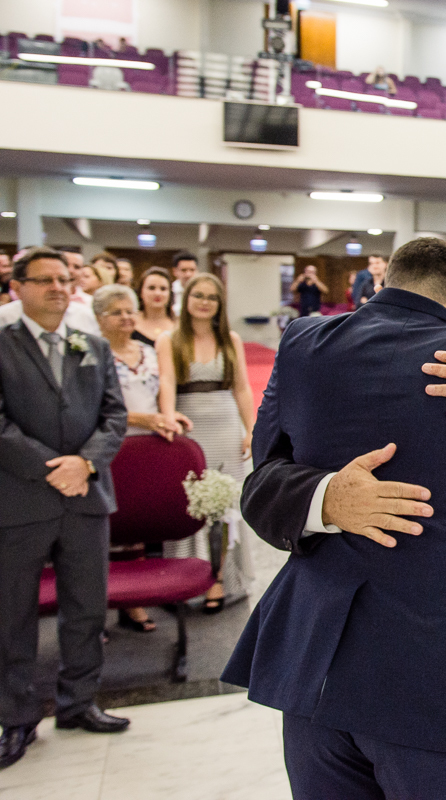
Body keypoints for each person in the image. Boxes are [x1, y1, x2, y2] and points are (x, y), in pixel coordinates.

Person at [222, 238, 446, 800]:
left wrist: (315, 498)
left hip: (317, 673)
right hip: (440, 682)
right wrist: (331, 496)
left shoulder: (305, 343)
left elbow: (261, 485)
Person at [0, 248, 130, 771]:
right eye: (45, 280)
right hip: (21, 499)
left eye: (63, 279)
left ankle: (80, 702)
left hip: (86, 499)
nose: (58, 287)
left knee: (86, 608)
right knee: (13, 615)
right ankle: (16, 716)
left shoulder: (92, 345)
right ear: (18, 287)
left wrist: (87, 465)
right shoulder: (2, 346)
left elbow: (114, 416)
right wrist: (55, 467)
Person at [94, 284, 192, 634]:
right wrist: (143, 419)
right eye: (116, 312)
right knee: (106, 528)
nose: (125, 318)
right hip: (109, 443)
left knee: (138, 526)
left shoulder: (148, 351)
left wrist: (167, 418)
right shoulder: (93, 352)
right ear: (99, 318)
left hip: (147, 445)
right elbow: (94, 406)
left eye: (129, 311)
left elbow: (165, 388)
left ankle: (131, 603)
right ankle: (96, 608)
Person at [158, 274, 256, 611]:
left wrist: (251, 429)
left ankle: (218, 579)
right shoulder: (168, 340)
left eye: (212, 298)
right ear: (186, 299)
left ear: (220, 305)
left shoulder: (230, 339)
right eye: (198, 295)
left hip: (225, 428)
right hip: (188, 429)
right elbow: (167, 383)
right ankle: (180, 578)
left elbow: (242, 388)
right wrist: (168, 415)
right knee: (187, 504)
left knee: (224, 508)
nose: (204, 302)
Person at [133, 266, 175, 345]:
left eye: (163, 289)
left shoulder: (179, 325)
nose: (157, 293)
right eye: (151, 288)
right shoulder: (130, 322)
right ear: (141, 292)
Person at [170, 251, 198, 317]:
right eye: (184, 270)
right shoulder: (168, 291)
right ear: (175, 271)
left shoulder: (202, 292)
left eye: (192, 270)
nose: (188, 274)